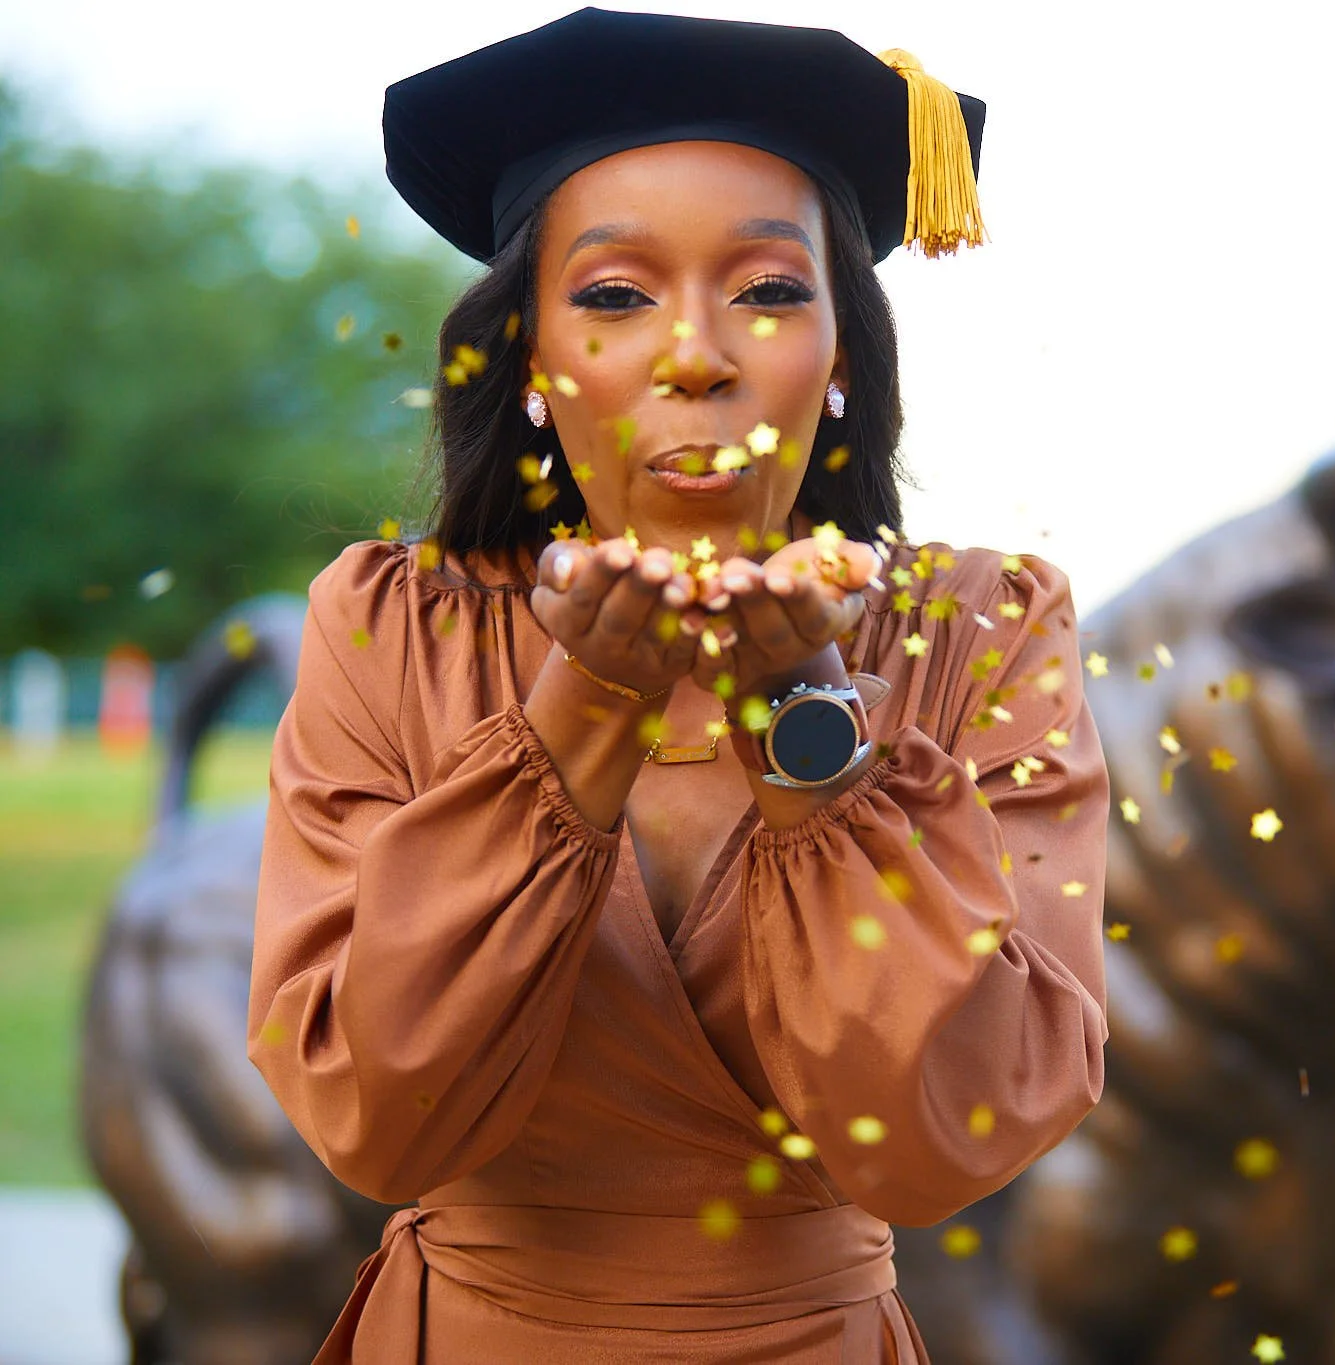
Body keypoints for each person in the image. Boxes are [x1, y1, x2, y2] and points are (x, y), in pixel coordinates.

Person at [246, 10, 1109, 1361]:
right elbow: (379, 1120)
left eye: (768, 290)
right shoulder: (395, 628)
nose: (696, 353)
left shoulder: (974, 635)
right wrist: (587, 703)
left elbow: (953, 1139)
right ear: (531, 358)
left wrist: (803, 713)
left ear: (839, 360)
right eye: (613, 295)